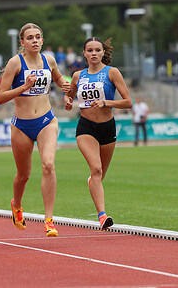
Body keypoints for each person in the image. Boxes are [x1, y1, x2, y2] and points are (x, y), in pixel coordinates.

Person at [0, 23, 70, 237]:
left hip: (47, 121)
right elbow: (0, 97)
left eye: (38, 37)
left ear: (42, 40)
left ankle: (49, 220)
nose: (35, 41)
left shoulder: (50, 60)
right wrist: (23, 87)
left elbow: (58, 79)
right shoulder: (15, 63)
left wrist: (66, 90)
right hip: (21, 125)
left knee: (48, 165)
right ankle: (17, 205)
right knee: (23, 175)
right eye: (30, 38)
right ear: (23, 42)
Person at [64, 37, 132, 230]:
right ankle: (102, 216)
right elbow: (68, 95)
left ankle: (92, 183)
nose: (93, 53)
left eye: (97, 50)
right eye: (90, 50)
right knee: (96, 169)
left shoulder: (112, 73)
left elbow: (128, 102)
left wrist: (106, 103)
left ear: (103, 53)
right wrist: (68, 101)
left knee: (100, 174)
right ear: (84, 53)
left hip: (107, 127)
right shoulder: (78, 75)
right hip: (85, 127)